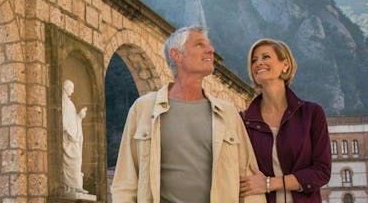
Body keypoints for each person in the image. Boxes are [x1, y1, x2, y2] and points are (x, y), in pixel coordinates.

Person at [112, 26, 264, 203]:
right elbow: (125, 182)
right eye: (200, 44)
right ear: (176, 55)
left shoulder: (228, 113)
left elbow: (249, 181)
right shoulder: (143, 108)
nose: (211, 50)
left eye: (210, 45)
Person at [238, 39, 330, 203]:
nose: (258, 63)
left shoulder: (312, 114)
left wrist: (269, 184)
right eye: (254, 60)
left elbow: (321, 172)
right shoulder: (243, 121)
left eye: (266, 57)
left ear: (285, 65)